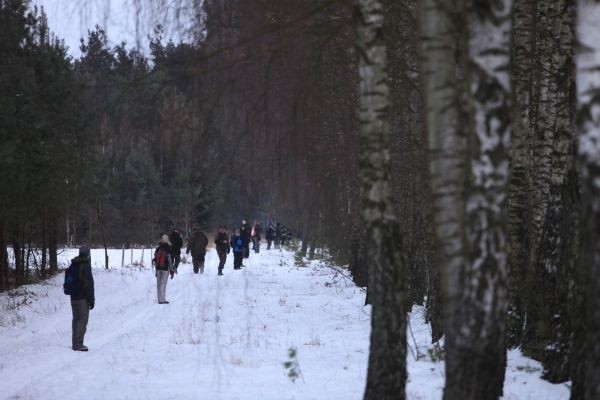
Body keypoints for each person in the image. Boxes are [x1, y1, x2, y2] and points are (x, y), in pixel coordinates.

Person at [70, 246, 95, 351]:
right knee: (82, 320)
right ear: (87, 254)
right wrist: (91, 300)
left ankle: (75, 343)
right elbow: (89, 284)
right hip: (82, 298)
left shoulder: (73, 264)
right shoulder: (85, 266)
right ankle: (78, 344)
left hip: (73, 297)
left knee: (76, 319)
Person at [154, 234, 174, 304]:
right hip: (165, 269)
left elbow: (155, 259)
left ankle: (159, 299)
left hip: (158, 268)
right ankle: (162, 300)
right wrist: (172, 270)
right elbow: (170, 260)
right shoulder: (168, 249)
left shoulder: (158, 248)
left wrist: (156, 271)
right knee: (163, 284)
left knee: (158, 284)